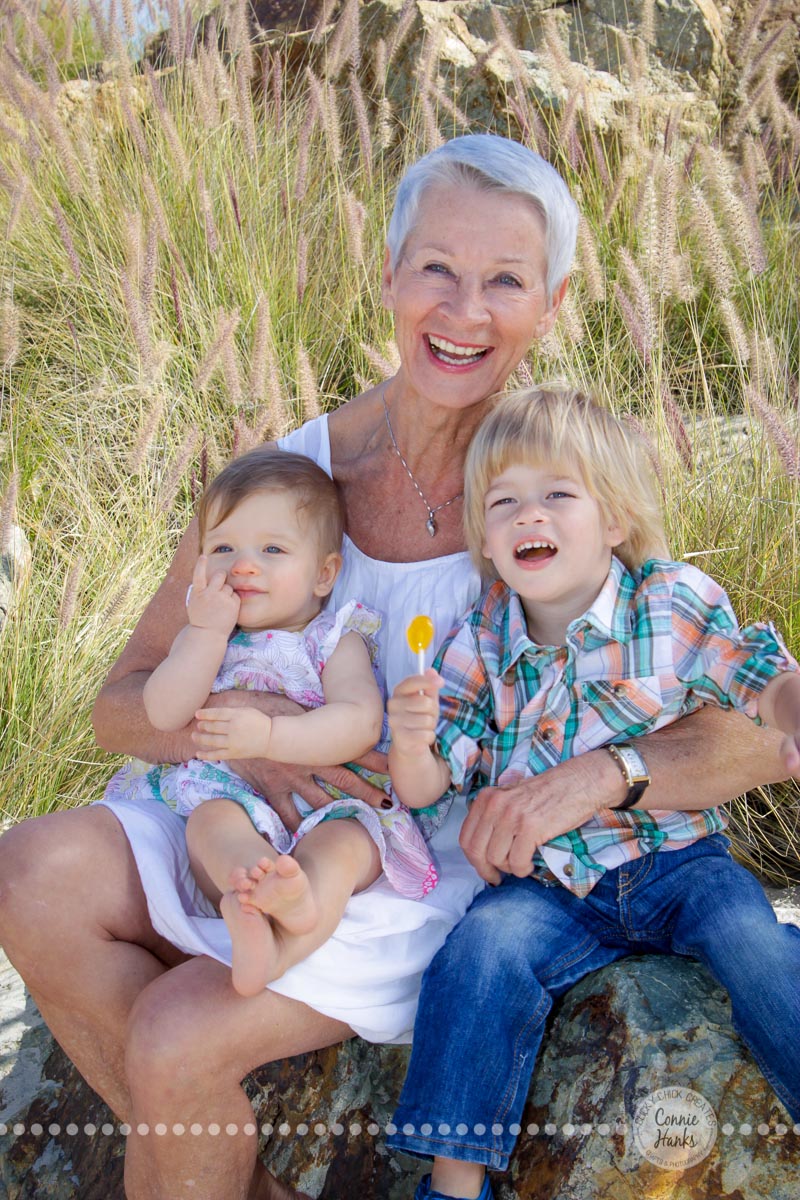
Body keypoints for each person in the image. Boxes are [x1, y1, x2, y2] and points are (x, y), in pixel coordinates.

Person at [0, 135, 789, 1200]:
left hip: (414, 853)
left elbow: (738, 714)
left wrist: (599, 777)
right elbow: (120, 705)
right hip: (238, 804)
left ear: (550, 304)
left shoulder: (546, 490)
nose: (462, 309)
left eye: (503, 280)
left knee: (179, 1033)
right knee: (28, 872)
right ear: (388, 275)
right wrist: (254, 736)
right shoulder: (292, 473)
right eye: (436, 268)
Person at [386, 387, 800, 1200]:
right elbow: (431, 786)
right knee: (480, 955)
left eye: (556, 495)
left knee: (751, 942)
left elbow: (756, 673)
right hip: (553, 888)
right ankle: (453, 1182)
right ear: (486, 537)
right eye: (502, 502)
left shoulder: (668, 601)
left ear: (613, 520)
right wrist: (410, 739)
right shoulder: (478, 642)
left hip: (678, 860)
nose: (526, 515)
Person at [108, 446, 437, 998]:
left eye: (272, 549)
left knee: (347, 845)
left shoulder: (336, 638)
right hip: (231, 795)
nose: (243, 565)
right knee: (209, 824)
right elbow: (163, 713)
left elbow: (358, 722)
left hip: (333, 803)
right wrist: (206, 635)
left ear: (324, 574)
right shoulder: (204, 639)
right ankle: (252, 892)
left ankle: (300, 902)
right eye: (222, 548)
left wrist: (270, 737)